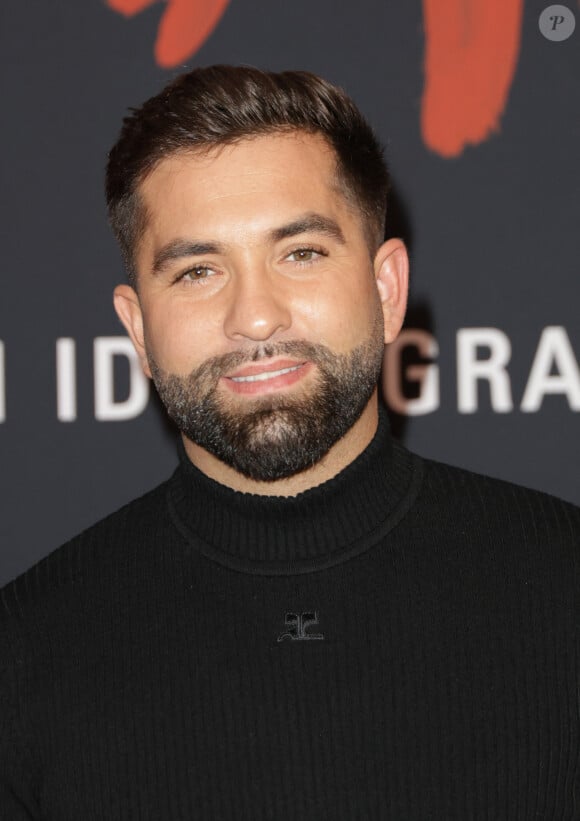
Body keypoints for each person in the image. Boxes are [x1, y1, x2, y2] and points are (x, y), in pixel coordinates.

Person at [1, 65, 578, 819]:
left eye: (299, 252)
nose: (257, 316)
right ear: (138, 330)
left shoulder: (564, 587)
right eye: (198, 269)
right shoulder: (22, 656)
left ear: (387, 288)